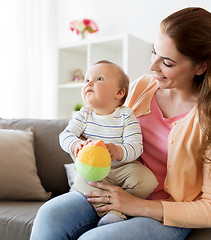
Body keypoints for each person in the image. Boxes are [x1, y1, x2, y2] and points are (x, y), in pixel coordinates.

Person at [30, 7, 211, 240]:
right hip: (114, 188)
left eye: (167, 62)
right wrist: (87, 148)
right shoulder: (141, 88)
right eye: (154, 52)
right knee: (50, 215)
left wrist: (136, 205)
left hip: (164, 213)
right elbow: (104, 123)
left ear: (200, 66)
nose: (153, 66)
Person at [59, 60, 158, 226]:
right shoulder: (84, 114)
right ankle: (113, 212)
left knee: (147, 180)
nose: (89, 82)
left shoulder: (126, 115)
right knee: (80, 181)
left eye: (99, 79)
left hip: (122, 169)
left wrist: (118, 151)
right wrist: (76, 144)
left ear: (119, 92)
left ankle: (121, 208)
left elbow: (136, 146)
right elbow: (65, 135)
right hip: (94, 173)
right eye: (87, 80)